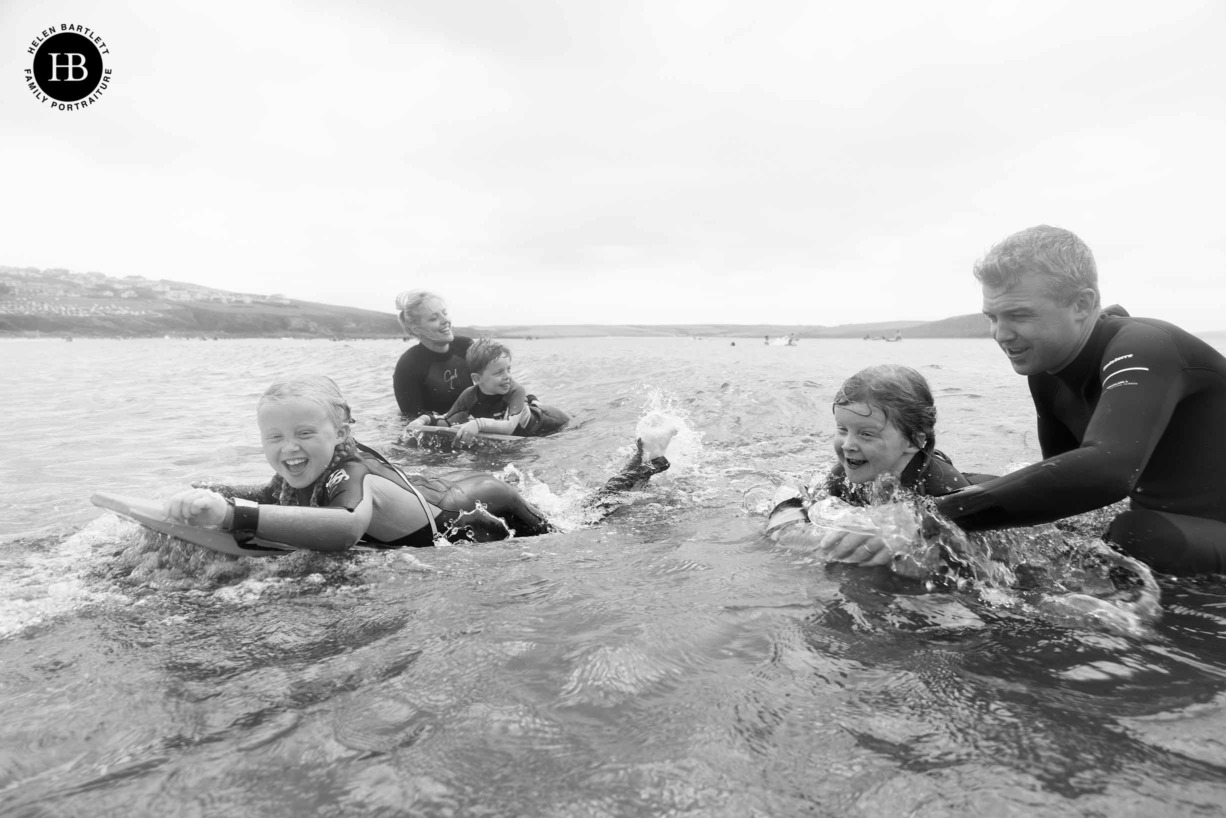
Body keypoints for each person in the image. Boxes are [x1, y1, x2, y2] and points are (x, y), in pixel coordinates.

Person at [934, 225, 1226, 575]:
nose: (1001, 333)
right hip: (1181, 525)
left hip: (1183, 529)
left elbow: (1105, 471)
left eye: (1019, 315)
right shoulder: (1045, 371)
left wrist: (932, 521)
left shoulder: (1147, 346)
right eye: (993, 318)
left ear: (1082, 304)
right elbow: (1060, 487)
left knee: (1138, 535)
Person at [164, 376, 676, 552]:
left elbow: (346, 528)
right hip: (440, 496)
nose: (288, 447)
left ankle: (644, 463)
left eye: (303, 433)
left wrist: (231, 516)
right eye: (273, 436)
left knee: (583, 525)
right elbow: (270, 493)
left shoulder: (349, 472)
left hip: (477, 510)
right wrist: (212, 489)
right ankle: (642, 462)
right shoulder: (304, 469)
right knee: (578, 514)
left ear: (341, 434)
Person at [766, 365, 972, 573]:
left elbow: (967, 557)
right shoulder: (842, 475)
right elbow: (802, 507)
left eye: (866, 434)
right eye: (842, 430)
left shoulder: (942, 483)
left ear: (913, 441)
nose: (848, 444)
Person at [412, 338, 570, 443]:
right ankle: (531, 401)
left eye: (509, 369)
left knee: (532, 405)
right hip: (517, 410)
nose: (507, 376)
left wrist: (477, 424)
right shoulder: (469, 395)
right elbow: (447, 421)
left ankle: (532, 400)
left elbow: (509, 428)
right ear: (477, 378)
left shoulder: (516, 390)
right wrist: (423, 420)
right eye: (499, 373)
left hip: (551, 421)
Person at [392, 290, 473, 422]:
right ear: (416, 329)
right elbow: (412, 420)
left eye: (445, 313)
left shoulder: (466, 346)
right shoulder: (408, 365)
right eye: (434, 318)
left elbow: (495, 381)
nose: (445, 320)